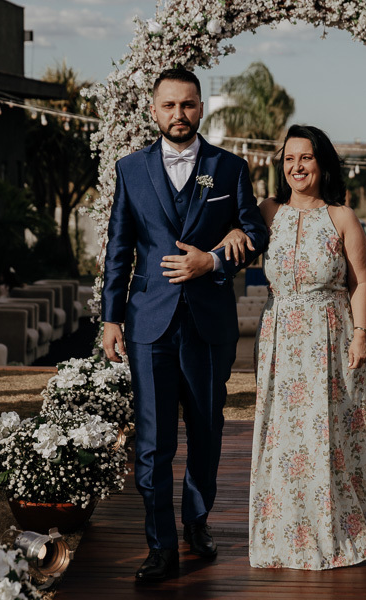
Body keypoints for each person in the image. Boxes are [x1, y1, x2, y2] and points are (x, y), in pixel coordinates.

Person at [101, 68, 268, 582]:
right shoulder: (130, 170)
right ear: (154, 111)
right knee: (152, 442)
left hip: (207, 324)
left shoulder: (229, 168)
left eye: (189, 104)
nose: (180, 114)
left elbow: (256, 231)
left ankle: (197, 519)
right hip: (148, 323)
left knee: (206, 431)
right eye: (169, 105)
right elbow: (119, 249)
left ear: (201, 108)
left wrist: (215, 260)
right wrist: (110, 318)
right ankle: (161, 545)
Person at [249, 125, 366, 570]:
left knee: (330, 433)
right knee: (284, 435)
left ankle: (339, 532)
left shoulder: (342, 217)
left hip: (329, 337)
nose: (297, 166)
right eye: (290, 158)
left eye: (306, 158)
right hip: (280, 335)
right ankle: (284, 531)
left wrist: (360, 334)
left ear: (322, 163)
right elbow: (231, 238)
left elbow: (359, 281)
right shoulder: (267, 212)